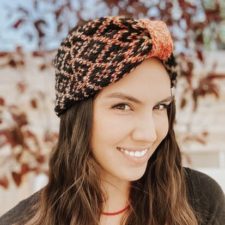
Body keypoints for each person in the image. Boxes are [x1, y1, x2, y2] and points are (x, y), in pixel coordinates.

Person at [0, 16, 225, 225]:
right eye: (123, 106)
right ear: (77, 116)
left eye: (160, 106)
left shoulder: (200, 199)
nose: (149, 134)